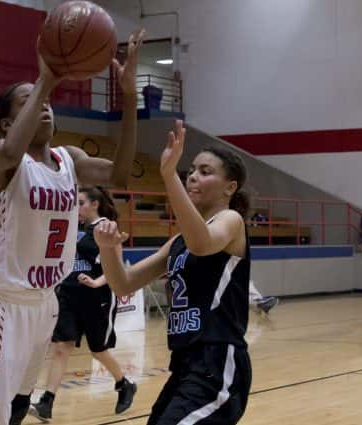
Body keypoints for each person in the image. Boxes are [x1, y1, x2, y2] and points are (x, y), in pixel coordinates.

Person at [0, 29, 144, 425]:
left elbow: (121, 174)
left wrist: (129, 98)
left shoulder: (68, 158)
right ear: (7, 122)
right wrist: (47, 77)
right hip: (1, 304)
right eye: (31, 101)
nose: (46, 105)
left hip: (44, 302)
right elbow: (11, 150)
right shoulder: (4, 158)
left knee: (20, 405)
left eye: (48, 99)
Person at [95, 120, 252, 424]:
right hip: (184, 364)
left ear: (230, 187)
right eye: (191, 170)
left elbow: (203, 243)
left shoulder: (231, 221)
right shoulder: (177, 242)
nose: (193, 176)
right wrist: (106, 248)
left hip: (219, 361)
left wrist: (169, 176)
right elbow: (123, 283)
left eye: (205, 172)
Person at [29, 187, 136, 422]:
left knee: (98, 350)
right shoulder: (73, 228)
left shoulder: (107, 227)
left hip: (97, 296)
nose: (76, 206)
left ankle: (124, 384)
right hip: (68, 293)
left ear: (94, 204)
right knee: (60, 347)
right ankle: (46, 402)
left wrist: (97, 282)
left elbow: (116, 266)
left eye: (80, 202)